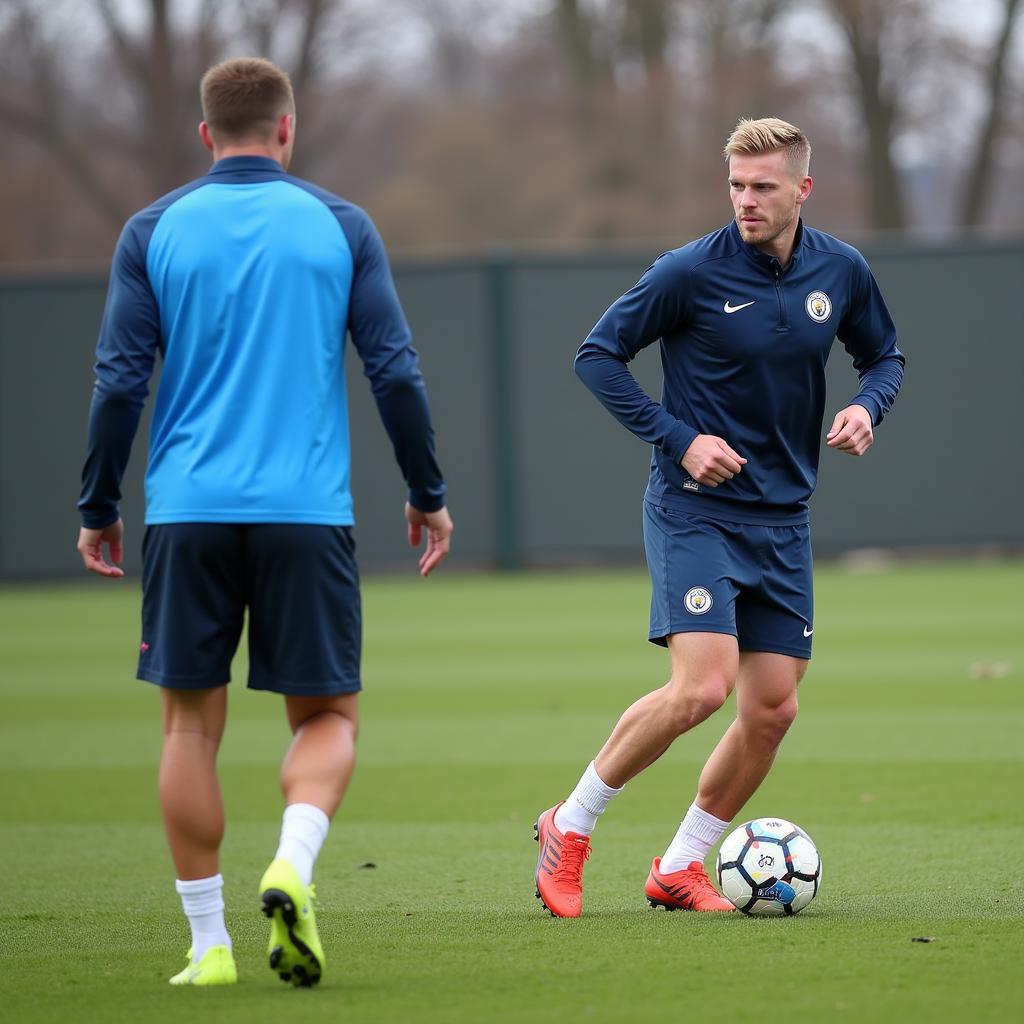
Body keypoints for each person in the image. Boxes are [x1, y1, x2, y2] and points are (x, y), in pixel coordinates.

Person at [76, 57, 454, 986]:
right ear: (289, 129)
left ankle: (208, 948)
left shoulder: (152, 228)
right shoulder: (340, 224)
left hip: (186, 514)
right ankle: (293, 857)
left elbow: (120, 381)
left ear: (207, 135)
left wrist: (97, 506)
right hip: (306, 515)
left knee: (186, 733)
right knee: (327, 715)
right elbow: (395, 371)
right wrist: (427, 491)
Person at [534, 117, 904, 918]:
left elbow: (885, 355)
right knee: (701, 688)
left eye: (764, 186)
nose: (746, 200)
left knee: (772, 709)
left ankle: (679, 866)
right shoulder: (688, 272)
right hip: (694, 510)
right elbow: (596, 355)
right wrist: (679, 439)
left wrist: (869, 408)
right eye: (736, 185)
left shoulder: (841, 269)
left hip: (784, 517)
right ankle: (569, 825)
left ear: (802, 190)